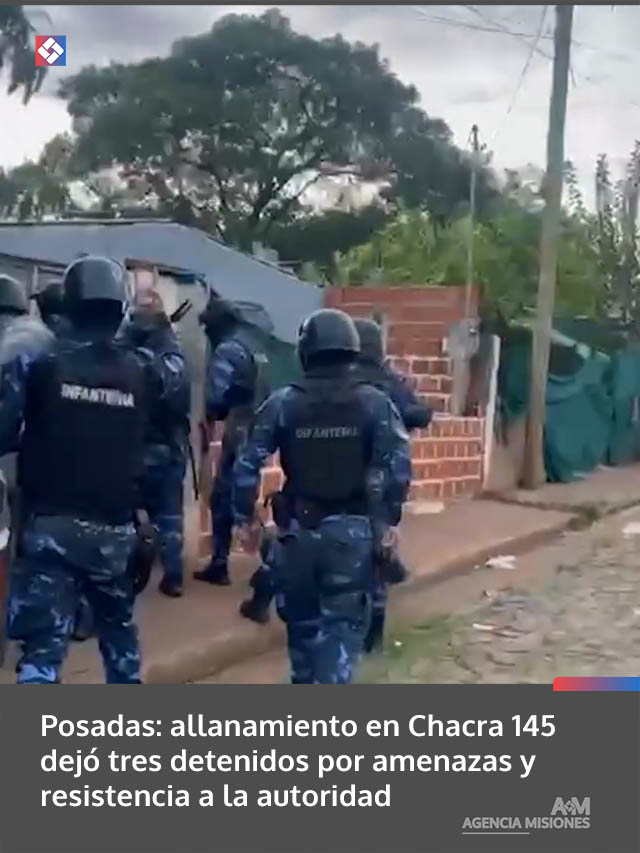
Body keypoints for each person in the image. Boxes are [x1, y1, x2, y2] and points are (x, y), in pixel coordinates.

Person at [0, 256, 180, 684]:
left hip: (50, 530)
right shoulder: (141, 368)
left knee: (42, 653)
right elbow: (176, 378)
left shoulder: (40, 363)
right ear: (120, 307)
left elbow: (4, 432)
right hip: (114, 535)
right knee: (120, 646)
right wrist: (159, 327)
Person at [232, 308, 411, 684]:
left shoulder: (283, 402)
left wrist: (245, 518)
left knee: (302, 649)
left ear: (305, 352)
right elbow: (397, 466)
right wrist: (388, 521)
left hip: (297, 537)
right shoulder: (375, 403)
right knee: (338, 649)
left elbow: (246, 462)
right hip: (351, 539)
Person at [352, 318, 432, 652]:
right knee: (378, 553)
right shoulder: (387, 382)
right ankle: (372, 635)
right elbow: (421, 414)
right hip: (381, 483)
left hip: (341, 480)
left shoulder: (336, 380)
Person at [194, 290, 270, 587]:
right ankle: (222, 563)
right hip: (257, 424)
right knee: (239, 495)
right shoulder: (253, 344)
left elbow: (216, 397)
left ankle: (269, 566)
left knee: (231, 498)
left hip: (240, 425)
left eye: (208, 326)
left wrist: (212, 415)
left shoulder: (227, 350)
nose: (206, 331)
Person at [118, 291, 190, 598]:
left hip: (141, 447)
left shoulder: (131, 355)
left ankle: (129, 576)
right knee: (169, 516)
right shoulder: (171, 354)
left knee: (130, 514)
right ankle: (172, 577)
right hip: (165, 447)